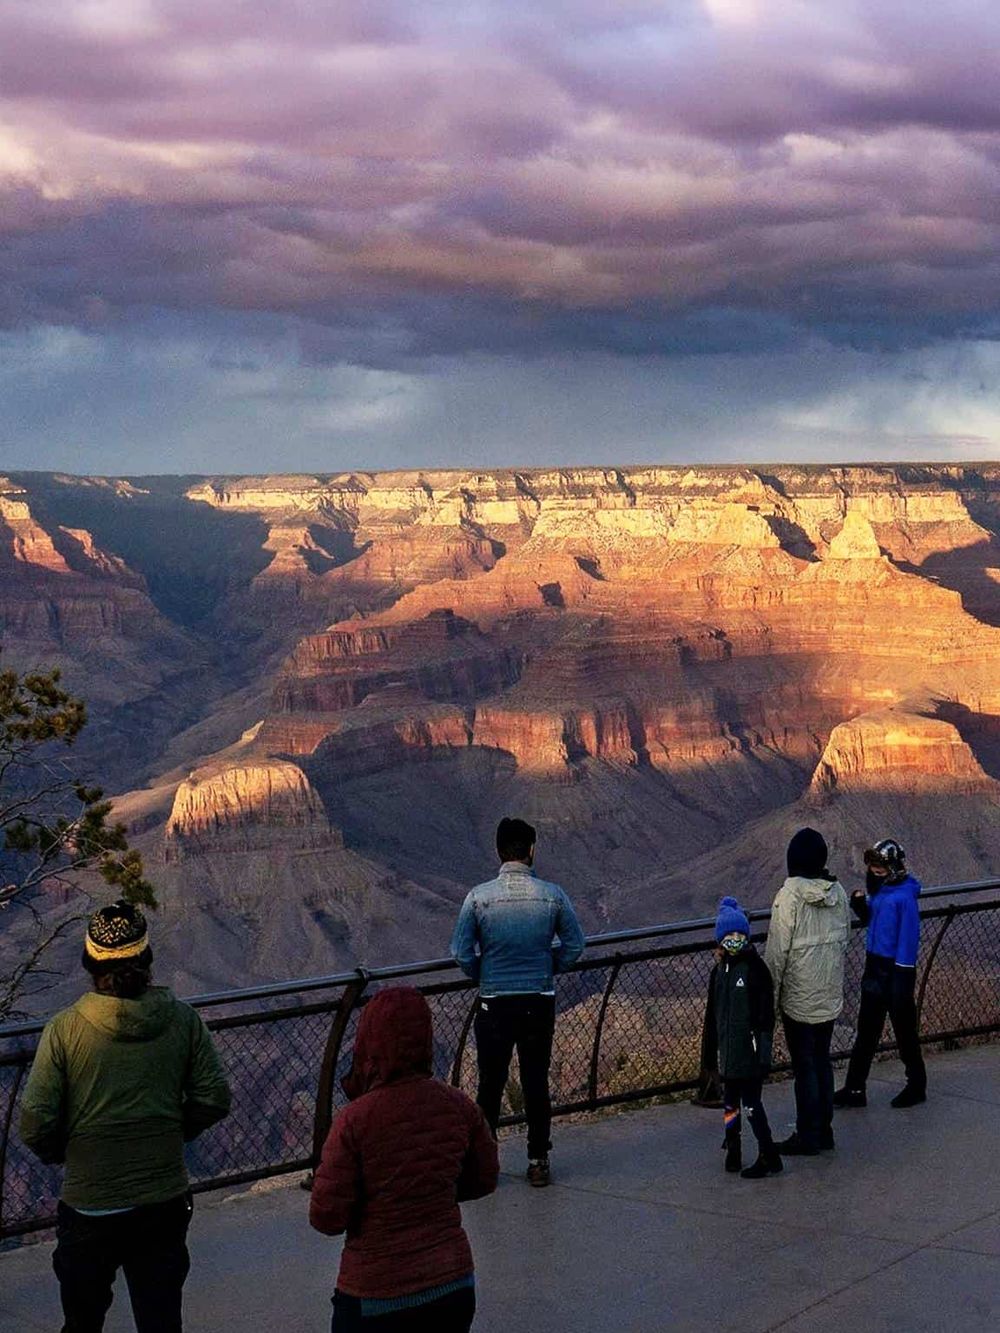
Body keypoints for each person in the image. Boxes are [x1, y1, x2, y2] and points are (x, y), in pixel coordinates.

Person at [20, 899, 231, 1333]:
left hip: (89, 1204)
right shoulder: (183, 1021)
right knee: (160, 1322)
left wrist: (67, 1151)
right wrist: (173, 1129)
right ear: (146, 959)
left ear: (90, 963)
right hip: (163, 1200)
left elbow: (35, 1123)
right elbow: (214, 1096)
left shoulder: (64, 1029)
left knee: (82, 1322)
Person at [310, 987, 498, 1332]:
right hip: (453, 1285)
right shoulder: (460, 1107)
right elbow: (484, 1179)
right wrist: (431, 1190)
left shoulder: (354, 1121)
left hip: (375, 1297)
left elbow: (327, 1217)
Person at [450, 816, 585, 1187]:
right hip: (538, 1001)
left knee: (489, 1085)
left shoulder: (478, 897)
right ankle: (538, 1160)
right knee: (535, 1082)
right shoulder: (553, 895)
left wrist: (486, 974)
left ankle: (482, 1164)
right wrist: (546, 967)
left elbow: (460, 951)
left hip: (494, 1002)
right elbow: (575, 945)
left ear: (498, 851)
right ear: (531, 851)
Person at [765, 828, 850, 1155]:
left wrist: (769, 1005)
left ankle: (807, 1134)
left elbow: (776, 955)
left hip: (798, 999)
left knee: (805, 1068)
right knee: (822, 1061)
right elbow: (845, 939)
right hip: (828, 994)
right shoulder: (838, 892)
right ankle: (824, 1129)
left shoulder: (788, 898)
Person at [834, 838, 927, 1109]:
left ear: (893, 867)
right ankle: (854, 1088)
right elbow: (873, 922)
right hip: (875, 967)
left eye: (879, 868)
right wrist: (860, 905)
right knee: (867, 1031)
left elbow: (908, 940)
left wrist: (902, 978)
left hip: (896, 970)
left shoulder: (903, 898)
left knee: (905, 1031)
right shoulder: (883, 892)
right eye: (873, 868)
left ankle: (916, 1085)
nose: (874, 872)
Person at [701, 896, 782, 1180]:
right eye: (729, 935)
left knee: (751, 1105)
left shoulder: (755, 970)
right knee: (730, 1105)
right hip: (728, 1056)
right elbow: (712, 1018)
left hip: (749, 1054)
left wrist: (763, 1055)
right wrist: (709, 1058)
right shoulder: (718, 973)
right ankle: (733, 1147)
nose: (734, 939)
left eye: (739, 934)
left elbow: (764, 1017)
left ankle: (767, 1152)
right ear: (720, 939)